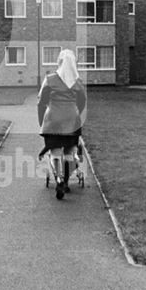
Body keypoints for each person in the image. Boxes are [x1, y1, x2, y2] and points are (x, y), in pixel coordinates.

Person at [37, 49, 87, 199]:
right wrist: (75, 111)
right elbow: (82, 102)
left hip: (53, 120)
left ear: (59, 62)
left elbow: (41, 101)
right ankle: (66, 181)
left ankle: (58, 178)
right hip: (72, 121)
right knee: (70, 151)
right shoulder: (77, 82)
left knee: (55, 151)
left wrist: (42, 121)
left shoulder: (50, 79)